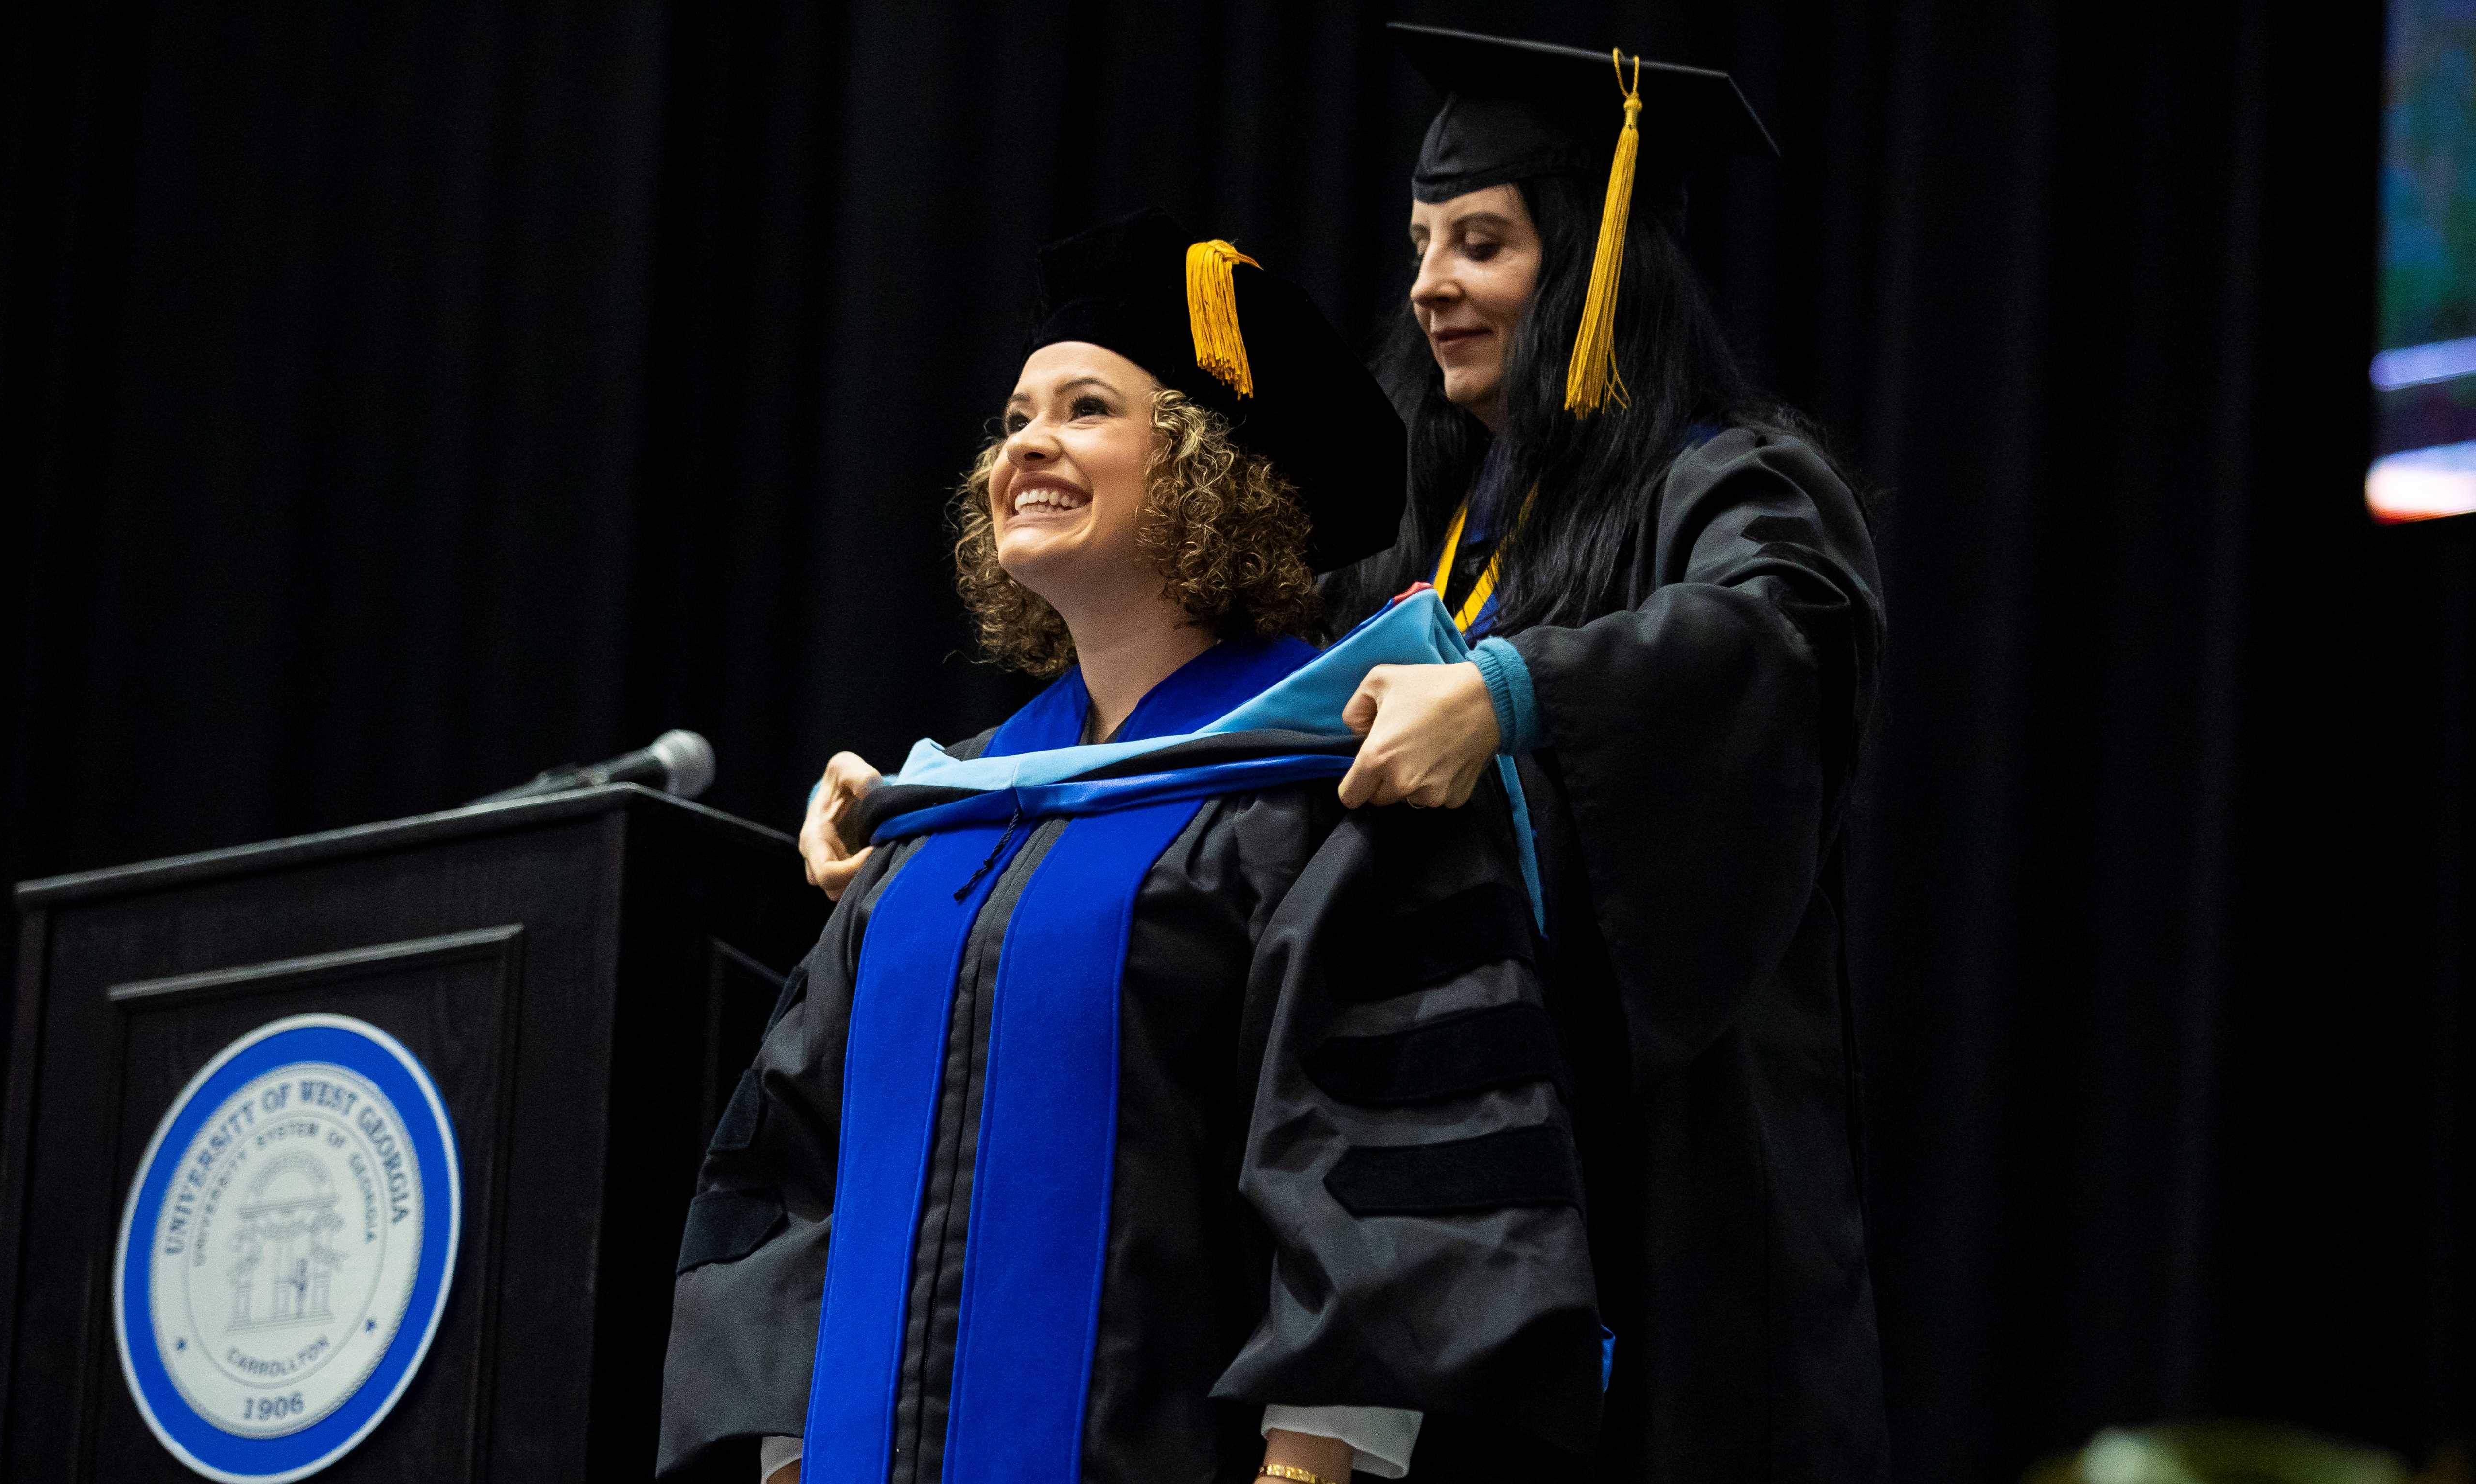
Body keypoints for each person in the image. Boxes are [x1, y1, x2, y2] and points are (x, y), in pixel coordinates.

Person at [796, 26, 1889, 1484]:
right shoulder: (1408, 554)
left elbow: (1776, 639)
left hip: (1651, 1159)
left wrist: (1510, 691)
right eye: (1424, 242)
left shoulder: (1723, 483)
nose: (1432, 283)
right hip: (1423, 1161)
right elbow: (1187, 728)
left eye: (1484, 243)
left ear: (1595, 263)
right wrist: (934, 798)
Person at [663, 209, 1608, 1484]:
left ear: (1217, 476)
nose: (1028, 446)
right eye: (1013, 420)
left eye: (1088, 409)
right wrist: (785, 1457)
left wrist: (1309, 1462)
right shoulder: (939, 818)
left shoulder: (1328, 791)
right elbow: (795, 1164)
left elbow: (1391, 1159)